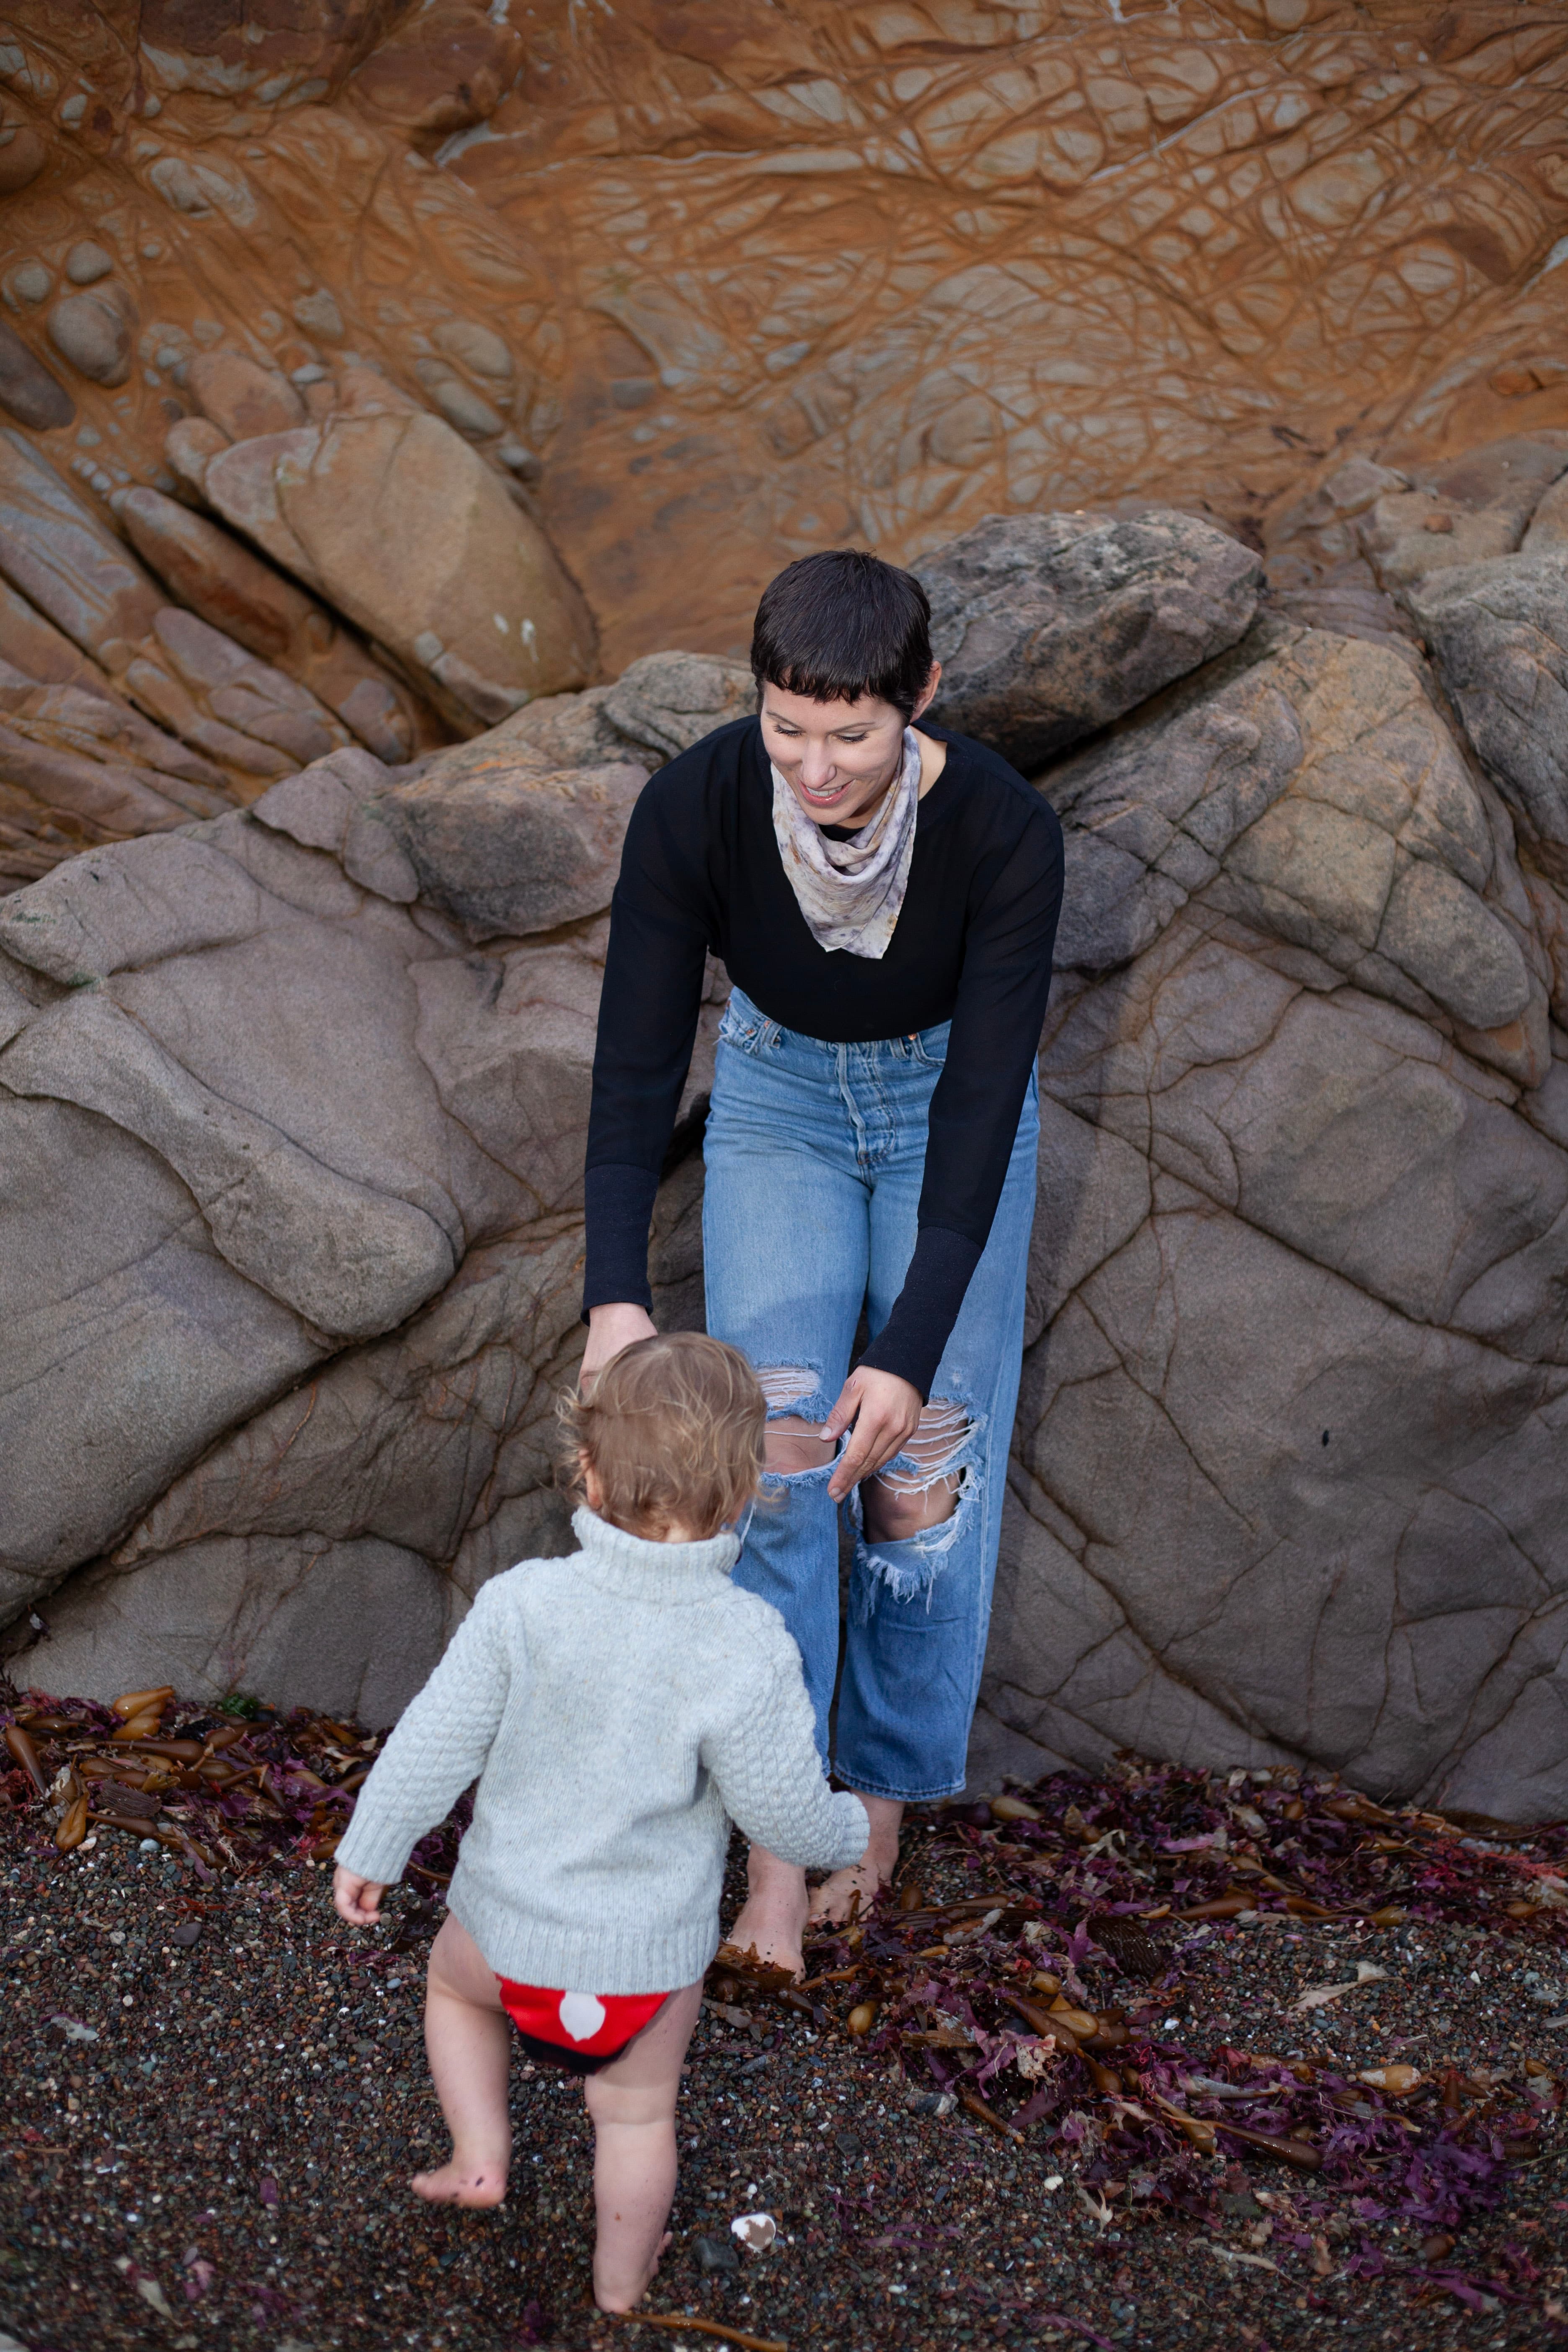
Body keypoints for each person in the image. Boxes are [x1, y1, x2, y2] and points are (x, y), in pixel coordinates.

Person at [582, 549, 1064, 1977]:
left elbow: (984, 1099)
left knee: (922, 1477)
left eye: (849, 734)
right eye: (787, 729)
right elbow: (632, 1058)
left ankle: (881, 1795)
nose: (815, 764)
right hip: (780, 1104)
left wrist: (909, 1352)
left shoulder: (1002, 832)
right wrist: (616, 1289)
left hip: (944, 1117)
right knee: (782, 1457)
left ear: (920, 697)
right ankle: (777, 1847)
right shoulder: (701, 803)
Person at [330, 1331, 867, 2314]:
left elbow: (433, 1744)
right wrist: (846, 1838)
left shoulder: (522, 1605)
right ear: (746, 1492)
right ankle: (620, 2288)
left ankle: (482, 2155)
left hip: (503, 1933)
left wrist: (374, 1849)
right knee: (635, 2118)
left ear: (586, 1470)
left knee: (453, 1999)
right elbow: (779, 1807)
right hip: (645, 1968)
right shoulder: (747, 1642)